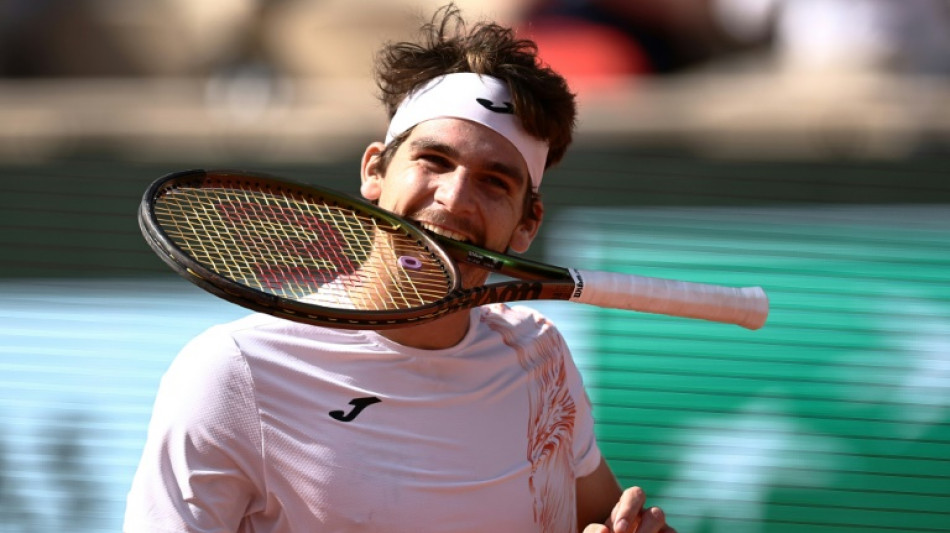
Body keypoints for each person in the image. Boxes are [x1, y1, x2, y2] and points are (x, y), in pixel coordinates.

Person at [124, 4, 675, 533]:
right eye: (434, 161)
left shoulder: (539, 356)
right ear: (374, 172)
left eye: (494, 181)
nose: (454, 200)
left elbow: (599, 519)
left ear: (527, 224)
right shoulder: (232, 372)